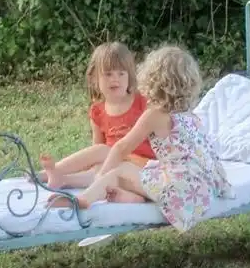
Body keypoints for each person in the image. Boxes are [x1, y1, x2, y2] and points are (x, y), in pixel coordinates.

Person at [47, 45, 233, 232]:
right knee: (142, 173)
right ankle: (130, 197)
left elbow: (121, 148)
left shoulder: (154, 114)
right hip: (203, 191)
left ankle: (85, 198)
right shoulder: (191, 117)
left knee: (119, 170)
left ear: (151, 81)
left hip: (181, 193)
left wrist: (100, 177)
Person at [33, 42, 155, 191]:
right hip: (113, 165)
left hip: (142, 165)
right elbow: (95, 148)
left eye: (121, 73)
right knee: (98, 164)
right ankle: (62, 179)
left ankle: (53, 171)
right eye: (108, 74)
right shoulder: (97, 111)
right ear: (94, 78)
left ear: (129, 76)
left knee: (102, 151)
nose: (115, 79)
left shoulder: (142, 102)